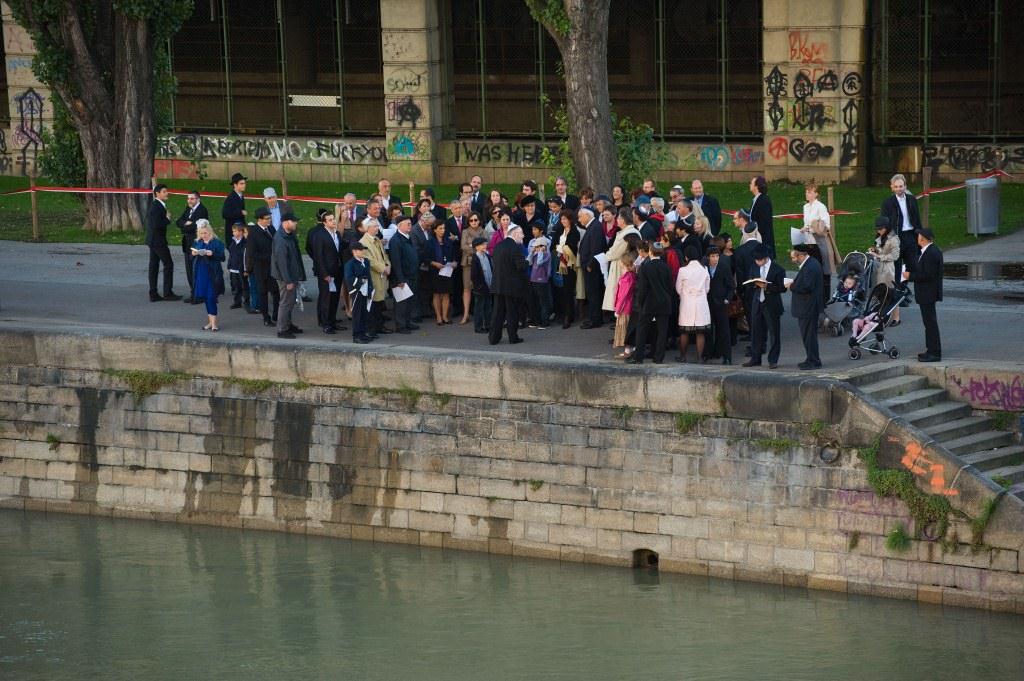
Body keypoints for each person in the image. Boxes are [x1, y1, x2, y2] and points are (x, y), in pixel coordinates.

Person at [627, 242, 672, 364]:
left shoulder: (645, 267)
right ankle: (658, 358)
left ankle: (638, 357)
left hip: (649, 303)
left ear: (650, 252)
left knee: (642, 330)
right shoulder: (666, 266)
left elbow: (642, 289)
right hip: (664, 303)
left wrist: (640, 303)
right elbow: (670, 287)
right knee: (662, 332)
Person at [902, 228, 943, 362]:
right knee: (929, 322)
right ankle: (930, 349)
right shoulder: (927, 252)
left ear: (922, 238)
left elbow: (928, 274)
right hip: (926, 292)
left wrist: (910, 276)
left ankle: (934, 352)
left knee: (930, 322)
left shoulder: (931, 253)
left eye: (918, 235)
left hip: (928, 292)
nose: (917, 237)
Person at [743, 244, 785, 368]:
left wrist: (767, 286)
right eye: (756, 260)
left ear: (766, 258)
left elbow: (782, 288)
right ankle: (755, 358)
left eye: (759, 260)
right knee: (756, 331)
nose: (757, 262)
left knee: (773, 332)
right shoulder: (754, 267)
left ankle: (773, 360)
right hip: (758, 302)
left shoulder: (778, 269)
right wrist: (754, 283)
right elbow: (750, 280)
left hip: (772, 304)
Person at [307, 212, 345, 335]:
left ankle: (332, 321)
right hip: (327, 273)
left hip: (337, 271)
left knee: (334, 298)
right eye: (330, 220)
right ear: (324, 222)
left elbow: (340, 249)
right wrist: (324, 274)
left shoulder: (337, 234)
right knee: (326, 298)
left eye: (334, 219)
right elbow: (319, 257)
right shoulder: (320, 235)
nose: (333, 221)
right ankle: (325, 323)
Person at [489, 224, 527, 345]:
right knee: (512, 312)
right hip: (511, 286)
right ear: (515, 234)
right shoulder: (515, 248)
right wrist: (528, 261)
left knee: (497, 312)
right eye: (521, 233)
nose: (523, 236)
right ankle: (513, 337)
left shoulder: (498, 245)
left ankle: (493, 338)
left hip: (498, 284)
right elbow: (520, 266)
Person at [800, 183, 839, 303]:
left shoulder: (821, 207)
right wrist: (805, 228)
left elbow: (826, 225)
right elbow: (807, 223)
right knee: (812, 267)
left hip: (820, 240)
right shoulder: (806, 207)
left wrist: (813, 227)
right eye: (806, 191)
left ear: (816, 194)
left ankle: (825, 298)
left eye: (810, 192)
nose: (807, 193)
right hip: (809, 240)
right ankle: (813, 294)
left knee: (823, 268)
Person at [788, 244, 824, 369]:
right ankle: (811, 358)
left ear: (801, 255)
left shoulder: (809, 267)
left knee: (808, 336)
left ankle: (813, 360)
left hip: (807, 307)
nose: (793, 260)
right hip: (809, 306)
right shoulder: (812, 263)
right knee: (809, 335)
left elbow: (806, 287)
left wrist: (791, 286)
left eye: (794, 257)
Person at [271, 212, 306, 339]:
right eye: (294, 221)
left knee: (290, 302)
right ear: (285, 222)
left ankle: (288, 324)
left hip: (291, 275)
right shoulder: (281, 239)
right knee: (285, 302)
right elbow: (282, 262)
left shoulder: (288, 235)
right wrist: (288, 280)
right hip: (286, 278)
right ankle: (282, 329)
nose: (296, 223)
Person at [601, 207, 642, 316]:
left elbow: (614, 253)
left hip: (623, 268)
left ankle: (622, 319)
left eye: (618, 217)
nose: (617, 220)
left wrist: (606, 255)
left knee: (622, 295)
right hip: (621, 266)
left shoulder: (628, 234)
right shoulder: (627, 232)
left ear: (623, 220)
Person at [882, 173, 923, 280]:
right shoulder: (888, 203)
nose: (899, 189)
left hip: (910, 236)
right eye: (896, 187)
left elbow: (917, 219)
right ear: (892, 187)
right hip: (896, 237)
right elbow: (885, 224)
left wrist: (920, 234)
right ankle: (897, 290)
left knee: (913, 266)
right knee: (897, 266)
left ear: (905, 186)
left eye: (901, 186)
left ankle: (907, 289)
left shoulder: (911, 199)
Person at [675, 245, 711, 363]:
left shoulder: (683, 270)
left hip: (687, 303)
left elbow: (678, 288)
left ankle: (683, 356)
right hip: (701, 303)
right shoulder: (704, 269)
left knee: (684, 331)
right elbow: (707, 288)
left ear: (686, 257)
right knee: (700, 332)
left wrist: (686, 295)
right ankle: (700, 358)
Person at [145, 184, 180, 302]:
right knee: (168, 264)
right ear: (157, 194)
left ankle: (153, 293)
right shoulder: (157, 206)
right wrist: (168, 219)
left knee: (154, 266)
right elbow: (156, 224)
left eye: (166, 191)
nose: (167, 193)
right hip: (158, 241)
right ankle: (167, 293)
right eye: (164, 191)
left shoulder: (158, 205)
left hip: (153, 240)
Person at [247, 207, 279, 327]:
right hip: (260, 268)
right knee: (263, 292)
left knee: (276, 292)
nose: (269, 220)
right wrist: (269, 256)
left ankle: (276, 313)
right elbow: (252, 253)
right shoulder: (253, 233)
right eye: (266, 219)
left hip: (272, 267)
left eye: (270, 218)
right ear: (259, 220)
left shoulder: (271, 228)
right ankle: (266, 317)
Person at [190, 221, 225, 331]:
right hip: (201, 272)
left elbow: (222, 257)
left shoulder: (216, 243)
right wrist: (194, 254)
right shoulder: (198, 242)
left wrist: (212, 254)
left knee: (211, 297)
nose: (203, 235)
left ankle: (214, 324)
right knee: (205, 297)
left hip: (213, 273)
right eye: (201, 233)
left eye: (205, 233)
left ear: (210, 232)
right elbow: (192, 258)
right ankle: (210, 322)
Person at [359, 218, 392, 336]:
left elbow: (384, 255)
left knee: (379, 304)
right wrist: (384, 268)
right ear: (368, 228)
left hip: (382, 276)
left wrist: (388, 265)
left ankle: (379, 326)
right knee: (373, 304)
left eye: (377, 226)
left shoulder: (377, 239)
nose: (378, 228)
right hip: (374, 277)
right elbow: (370, 261)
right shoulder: (363, 242)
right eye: (375, 226)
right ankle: (372, 328)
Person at [388, 215, 421, 334]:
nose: (410, 226)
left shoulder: (408, 237)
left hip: (411, 274)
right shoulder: (395, 241)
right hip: (402, 277)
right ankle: (400, 325)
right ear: (399, 226)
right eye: (407, 224)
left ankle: (408, 321)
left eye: (410, 224)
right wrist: (400, 279)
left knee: (410, 300)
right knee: (401, 302)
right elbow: (396, 262)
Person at [577, 207, 608, 329]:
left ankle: (595, 319)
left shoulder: (595, 227)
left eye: (580, 216)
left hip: (592, 267)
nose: (579, 219)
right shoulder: (593, 226)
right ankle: (593, 317)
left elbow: (596, 248)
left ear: (586, 215)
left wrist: (590, 264)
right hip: (590, 265)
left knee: (594, 293)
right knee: (592, 293)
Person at [176, 190, 208, 304]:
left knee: (197, 269)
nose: (189, 201)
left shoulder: (202, 211)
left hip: (196, 243)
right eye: (188, 198)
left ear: (198, 199)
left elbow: (195, 227)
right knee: (189, 269)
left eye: (192, 199)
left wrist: (186, 225)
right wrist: (186, 224)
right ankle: (193, 292)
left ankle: (200, 295)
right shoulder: (188, 209)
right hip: (187, 243)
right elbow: (178, 221)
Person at [868, 216, 901, 323]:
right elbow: (880, 250)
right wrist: (875, 250)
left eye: (880, 229)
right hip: (880, 268)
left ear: (886, 228)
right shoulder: (881, 237)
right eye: (877, 229)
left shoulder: (894, 239)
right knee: (880, 292)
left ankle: (896, 317)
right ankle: (882, 314)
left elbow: (895, 256)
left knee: (891, 292)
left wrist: (879, 256)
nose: (879, 231)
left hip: (888, 269)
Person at [706, 246, 734, 365]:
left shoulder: (723, 267)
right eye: (713, 256)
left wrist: (727, 299)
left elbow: (731, 286)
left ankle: (727, 356)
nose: (715, 259)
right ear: (708, 257)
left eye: (717, 256)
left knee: (724, 330)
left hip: (721, 303)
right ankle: (708, 353)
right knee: (708, 329)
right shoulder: (704, 268)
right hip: (707, 302)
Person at [553, 209, 580, 329]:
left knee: (569, 290)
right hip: (561, 263)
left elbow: (574, 247)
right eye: (562, 219)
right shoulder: (560, 231)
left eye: (565, 219)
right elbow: (554, 244)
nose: (563, 221)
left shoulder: (575, 232)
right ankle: (566, 313)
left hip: (571, 264)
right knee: (563, 290)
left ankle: (568, 316)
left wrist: (563, 248)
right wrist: (559, 249)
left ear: (570, 219)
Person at [427, 221, 457, 325]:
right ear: (435, 230)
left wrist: (454, 263)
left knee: (446, 294)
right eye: (440, 228)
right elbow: (426, 258)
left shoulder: (449, 242)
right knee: (436, 294)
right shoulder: (430, 242)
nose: (442, 231)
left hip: (447, 271)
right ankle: (438, 317)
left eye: (443, 228)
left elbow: (454, 256)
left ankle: (445, 316)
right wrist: (434, 263)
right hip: (435, 271)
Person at [458, 211, 485, 325]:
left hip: (481, 262)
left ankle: (482, 314)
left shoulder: (483, 231)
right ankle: (465, 314)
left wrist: (471, 246)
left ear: (479, 221)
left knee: (481, 288)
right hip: (468, 263)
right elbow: (463, 246)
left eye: (475, 220)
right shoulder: (465, 231)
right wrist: (476, 247)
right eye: (471, 220)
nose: (473, 222)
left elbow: (485, 246)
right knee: (466, 288)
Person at [344, 241, 373, 344]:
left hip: (365, 290)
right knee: (357, 314)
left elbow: (369, 276)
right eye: (360, 249)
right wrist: (360, 281)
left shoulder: (366, 261)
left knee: (364, 313)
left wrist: (370, 289)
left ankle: (363, 333)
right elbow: (349, 278)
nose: (362, 251)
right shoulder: (350, 264)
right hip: (357, 291)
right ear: (354, 251)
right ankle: (356, 335)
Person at [613, 251, 637, 358]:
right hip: (629, 306)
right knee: (629, 328)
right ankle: (631, 349)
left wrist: (617, 310)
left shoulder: (627, 277)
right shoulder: (632, 275)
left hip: (624, 308)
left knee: (625, 329)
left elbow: (623, 296)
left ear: (623, 263)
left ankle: (627, 351)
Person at [527, 229, 552, 329]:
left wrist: (541, 252)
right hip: (534, 279)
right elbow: (528, 262)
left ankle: (544, 321)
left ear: (545, 246)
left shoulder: (547, 254)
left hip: (542, 280)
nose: (538, 248)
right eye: (537, 246)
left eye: (540, 246)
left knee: (543, 301)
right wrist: (532, 252)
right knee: (536, 300)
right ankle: (536, 320)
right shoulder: (536, 253)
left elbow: (540, 262)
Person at [469, 237, 493, 334]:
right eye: (482, 244)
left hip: (489, 285)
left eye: (485, 244)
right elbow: (474, 275)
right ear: (476, 247)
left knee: (488, 307)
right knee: (479, 308)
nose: (485, 246)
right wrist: (478, 286)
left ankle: (488, 325)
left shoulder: (487, 256)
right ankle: (478, 327)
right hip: (480, 288)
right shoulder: (475, 258)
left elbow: (491, 269)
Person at [749, 175, 775, 258]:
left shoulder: (763, 201)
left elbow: (764, 223)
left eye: (751, 183)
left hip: (763, 241)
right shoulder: (757, 200)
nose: (749, 185)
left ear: (756, 186)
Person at [226, 222, 249, 311]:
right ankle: (237, 302)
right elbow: (231, 255)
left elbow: (244, 257)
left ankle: (247, 303)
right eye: (233, 231)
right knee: (236, 286)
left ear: (240, 232)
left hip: (241, 268)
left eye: (234, 231)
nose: (233, 233)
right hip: (233, 268)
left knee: (244, 286)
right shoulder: (233, 242)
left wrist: (246, 269)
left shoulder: (244, 243)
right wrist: (229, 266)